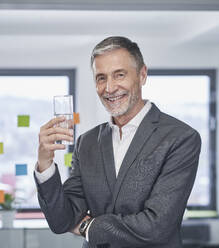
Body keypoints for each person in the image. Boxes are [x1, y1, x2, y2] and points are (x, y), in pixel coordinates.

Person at [34, 36, 201, 248]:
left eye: (119, 75)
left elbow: (156, 227)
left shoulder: (180, 138)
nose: (109, 88)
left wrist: (89, 227)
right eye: (101, 78)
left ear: (142, 75)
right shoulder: (87, 142)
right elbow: (62, 220)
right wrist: (45, 164)